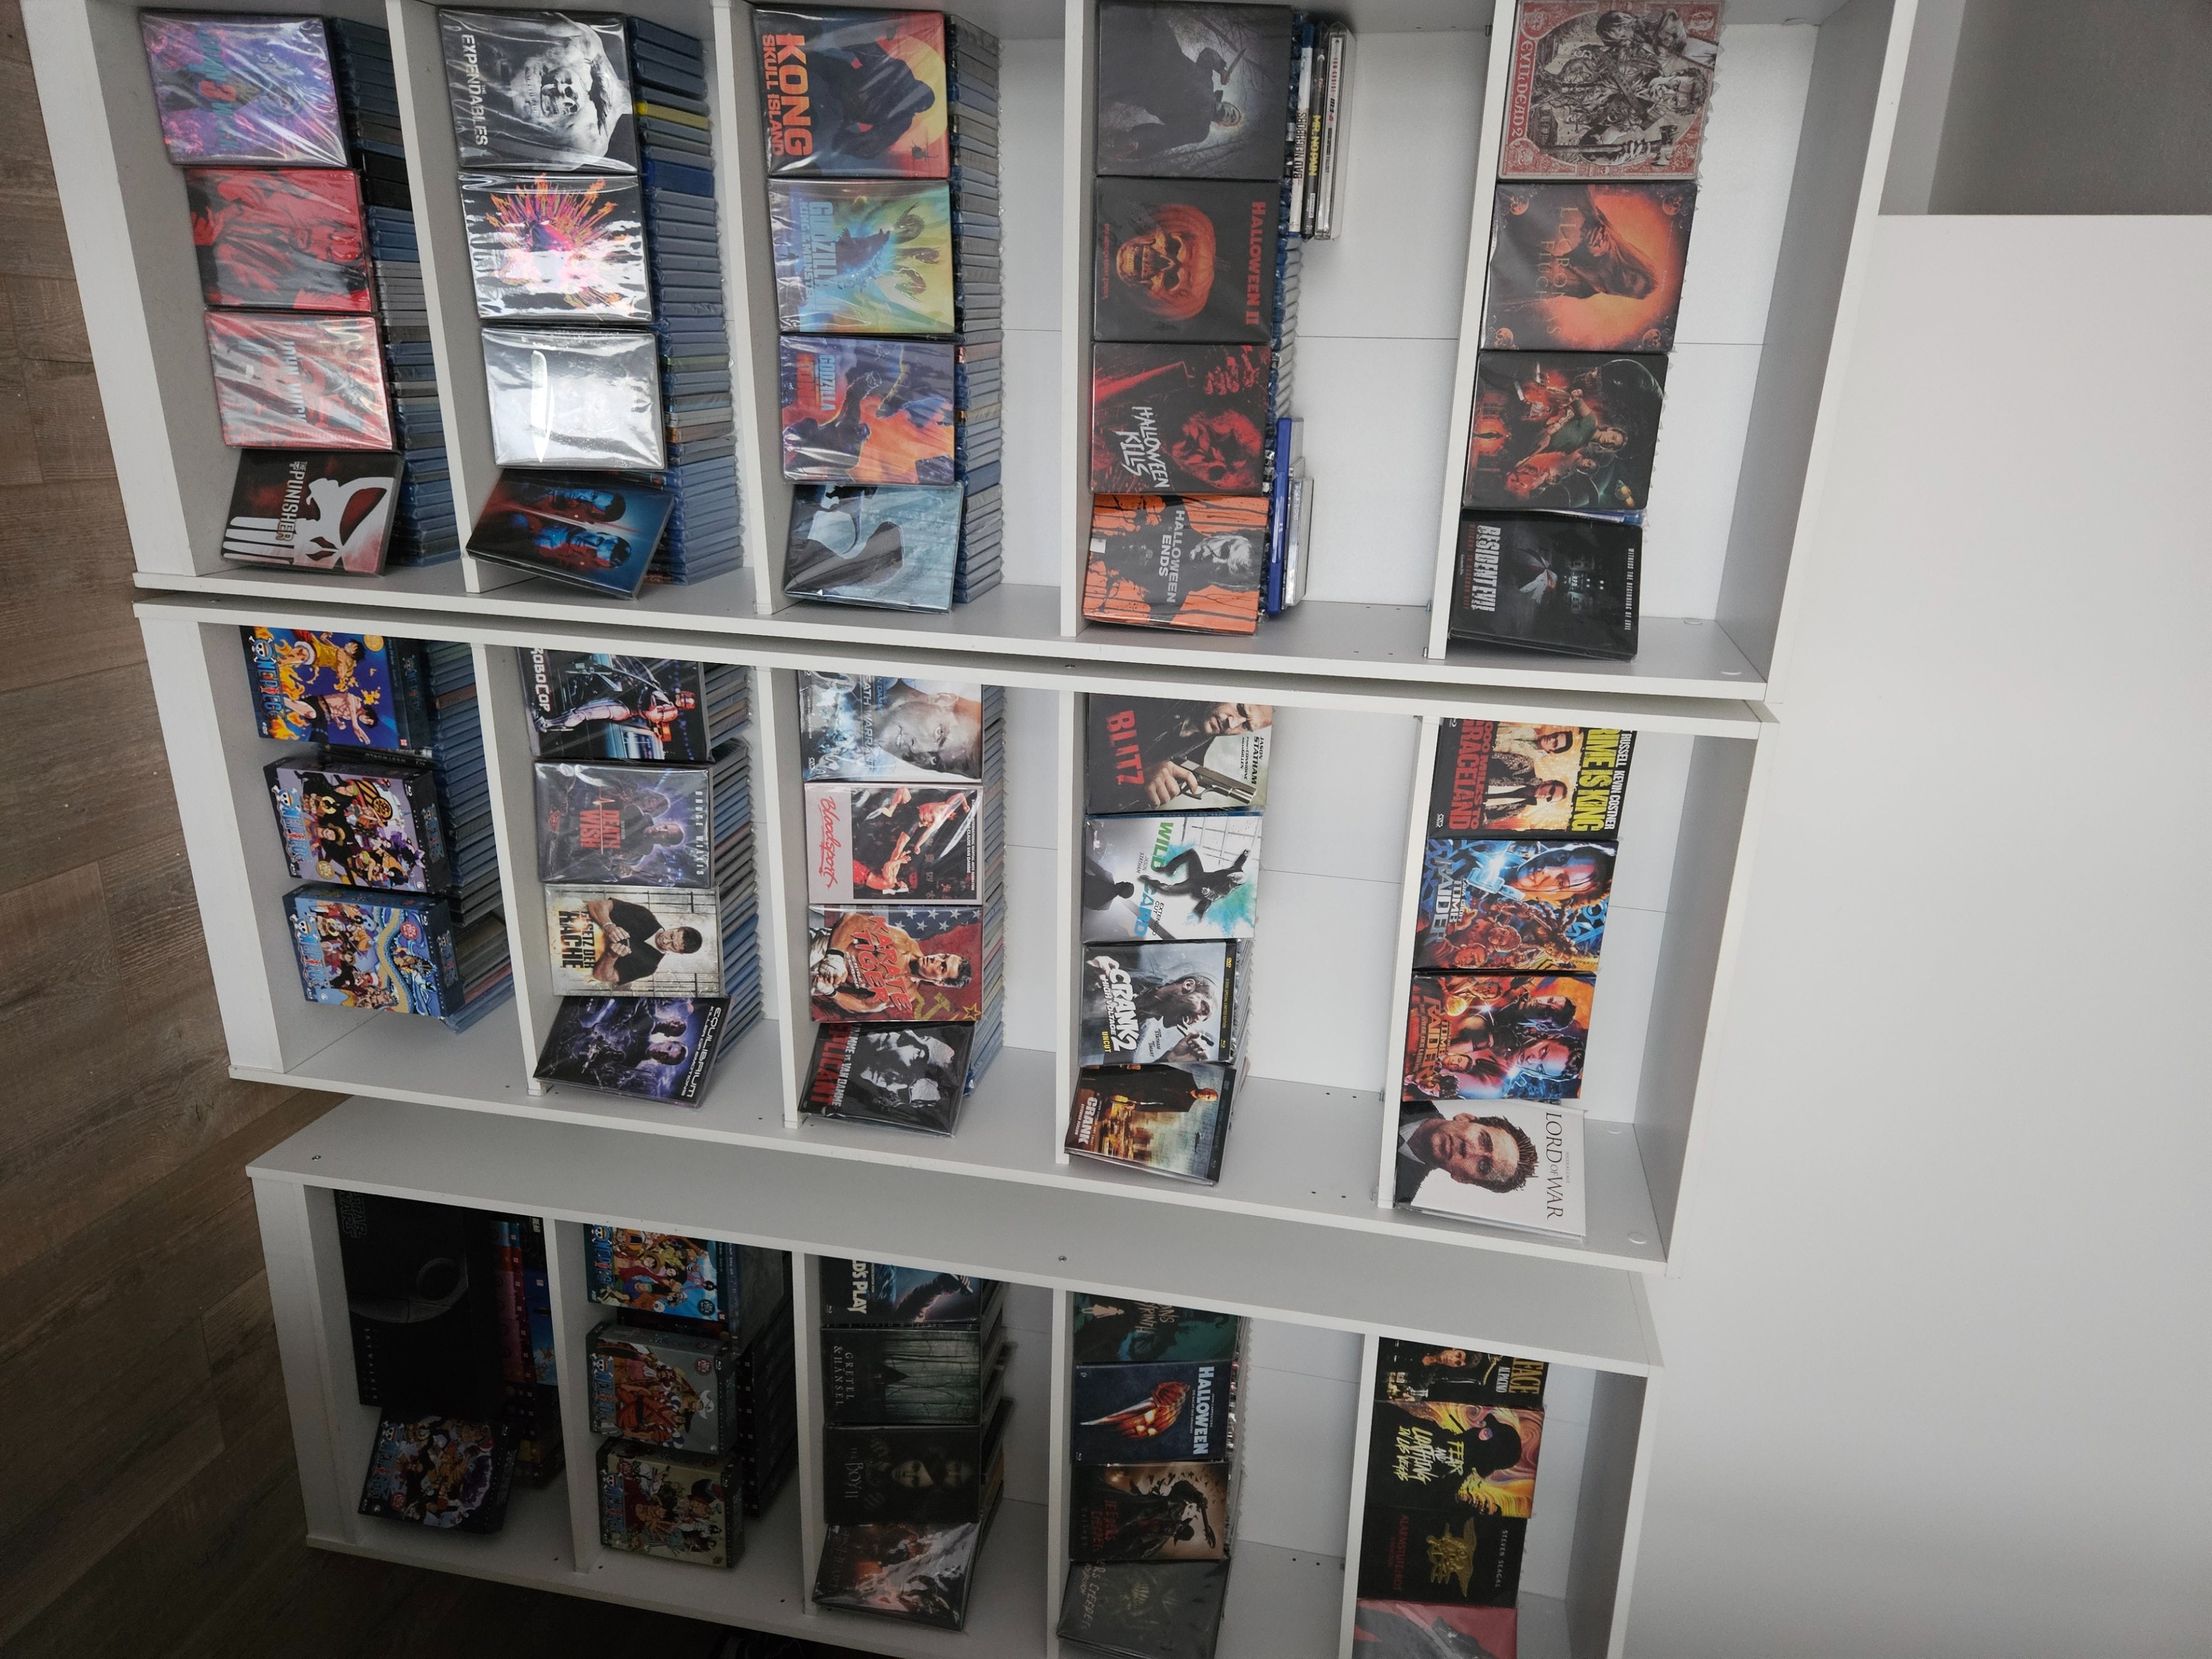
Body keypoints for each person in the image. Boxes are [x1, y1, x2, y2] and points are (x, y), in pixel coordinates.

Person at [1096, 698, 1273, 808]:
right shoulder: (1164, 693)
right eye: (1241, 709)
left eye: (1246, 726)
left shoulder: (1195, 759)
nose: (1232, 725)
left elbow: (1114, 801)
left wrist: (1143, 794)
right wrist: (1138, 771)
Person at [1397, 1107, 1538, 1199]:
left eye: (1483, 1166)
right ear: (1465, 1118)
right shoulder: (1412, 1089)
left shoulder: (1398, 1194)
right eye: (1483, 1140)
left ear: (1463, 1179)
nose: (1469, 1150)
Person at [580, 895, 706, 986]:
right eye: (671, 936)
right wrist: (608, 926)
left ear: (678, 953)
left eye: (673, 946)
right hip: (576, 923)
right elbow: (597, 904)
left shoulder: (649, 966)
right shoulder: (645, 916)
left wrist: (611, 956)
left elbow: (601, 977)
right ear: (675, 927)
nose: (666, 942)